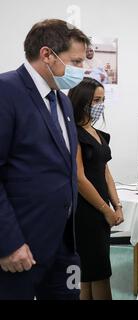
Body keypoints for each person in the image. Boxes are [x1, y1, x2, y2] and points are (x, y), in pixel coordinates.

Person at [0, 19, 90, 299]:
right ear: (47, 54)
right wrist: (8, 243)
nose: (80, 70)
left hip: (64, 243)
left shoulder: (61, 100)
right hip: (22, 246)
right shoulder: (6, 91)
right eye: (75, 61)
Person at [68, 78, 124, 300]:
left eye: (102, 100)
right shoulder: (74, 133)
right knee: (94, 272)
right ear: (82, 101)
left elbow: (105, 173)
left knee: (96, 271)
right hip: (85, 211)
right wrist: (105, 209)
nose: (100, 105)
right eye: (96, 100)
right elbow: (79, 178)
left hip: (102, 210)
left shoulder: (98, 133)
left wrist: (117, 205)